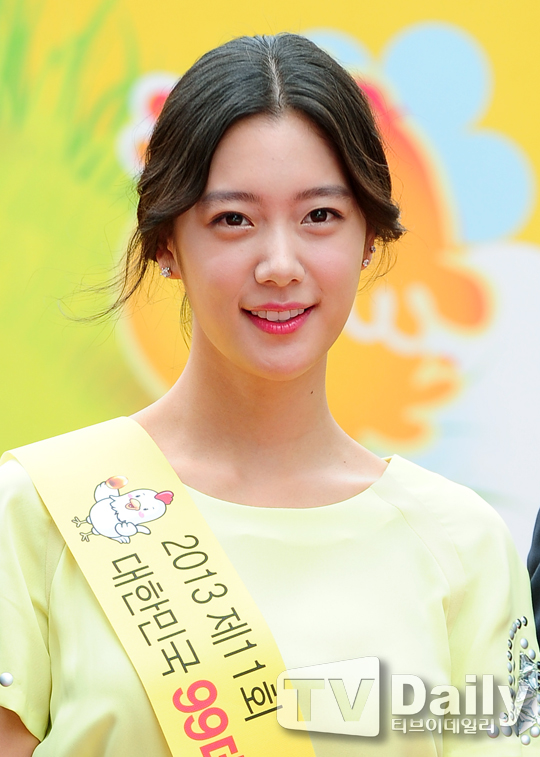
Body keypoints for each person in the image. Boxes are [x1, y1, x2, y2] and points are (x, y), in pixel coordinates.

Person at [0, 33, 537, 757]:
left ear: (369, 238)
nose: (280, 264)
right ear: (166, 244)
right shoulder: (38, 511)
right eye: (233, 219)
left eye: (320, 216)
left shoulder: (462, 542)